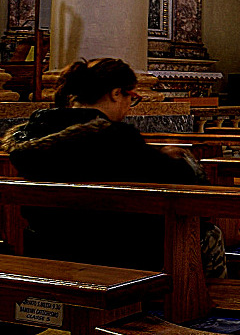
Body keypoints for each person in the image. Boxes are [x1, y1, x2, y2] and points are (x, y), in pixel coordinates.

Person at [1, 58, 226, 276]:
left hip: (47, 249)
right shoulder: (115, 138)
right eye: (132, 97)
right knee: (210, 235)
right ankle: (200, 306)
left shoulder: (31, 138)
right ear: (116, 93)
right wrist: (180, 159)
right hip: (119, 254)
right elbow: (191, 190)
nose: (129, 106)